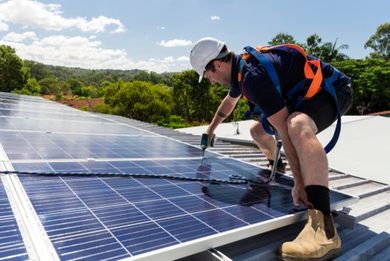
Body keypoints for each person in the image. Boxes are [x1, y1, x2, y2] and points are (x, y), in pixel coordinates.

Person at [190, 37, 352, 260]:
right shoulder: (239, 72)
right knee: (258, 131)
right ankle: (277, 165)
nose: (211, 82)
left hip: (332, 90)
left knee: (296, 125)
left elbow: (284, 132)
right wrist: (210, 130)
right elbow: (228, 103)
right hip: (303, 97)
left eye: (209, 76)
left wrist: (300, 183)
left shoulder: (252, 77)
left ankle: (324, 229)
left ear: (217, 65)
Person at [245, 101, 286, 172]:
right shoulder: (244, 90)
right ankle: (277, 166)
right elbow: (229, 101)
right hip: (274, 111)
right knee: (256, 130)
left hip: (298, 108)